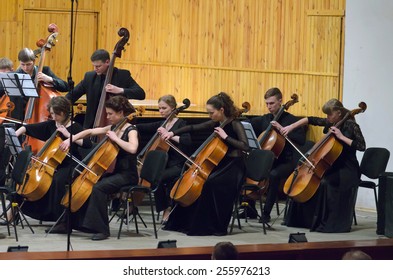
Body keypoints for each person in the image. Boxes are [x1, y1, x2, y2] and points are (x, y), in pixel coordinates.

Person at [161, 92, 249, 236]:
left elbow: (245, 146)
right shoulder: (217, 122)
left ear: (221, 110)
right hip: (219, 164)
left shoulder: (235, 123)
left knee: (210, 183)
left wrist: (225, 136)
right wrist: (172, 133)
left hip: (234, 166)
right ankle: (186, 223)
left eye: (211, 113)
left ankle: (212, 226)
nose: (210, 116)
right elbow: (193, 128)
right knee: (201, 183)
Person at [53, 95, 139, 240]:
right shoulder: (114, 127)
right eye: (107, 113)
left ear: (121, 113)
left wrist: (116, 138)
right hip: (117, 173)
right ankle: (68, 223)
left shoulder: (131, 130)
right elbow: (90, 132)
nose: (108, 116)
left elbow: (133, 148)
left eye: (111, 113)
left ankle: (102, 230)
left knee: (98, 188)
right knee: (82, 183)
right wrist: (70, 139)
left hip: (128, 175)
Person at [279, 98, 366, 233]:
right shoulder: (333, 121)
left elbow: (361, 146)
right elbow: (309, 119)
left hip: (348, 169)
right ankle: (306, 221)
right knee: (313, 182)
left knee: (325, 183)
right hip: (333, 166)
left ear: (338, 113)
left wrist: (341, 136)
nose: (327, 117)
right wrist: (290, 127)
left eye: (329, 114)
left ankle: (328, 223)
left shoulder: (351, 125)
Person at [13, 96, 91, 222]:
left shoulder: (75, 127)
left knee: (57, 180)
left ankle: (60, 219)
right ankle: (20, 212)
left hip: (70, 164)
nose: (53, 117)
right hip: (51, 164)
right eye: (52, 113)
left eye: (56, 114)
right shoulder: (51, 125)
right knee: (25, 179)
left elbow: (88, 144)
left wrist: (68, 136)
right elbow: (27, 128)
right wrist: (15, 135)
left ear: (64, 113)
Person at [246, 87, 306, 223]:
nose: (269, 107)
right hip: (268, 161)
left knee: (273, 175)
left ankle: (266, 213)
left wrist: (283, 130)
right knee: (245, 167)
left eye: (272, 103)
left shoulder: (291, 120)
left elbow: (301, 140)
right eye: (267, 103)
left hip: (286, 161)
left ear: (280, 101)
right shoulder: (265, 119)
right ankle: (250, 209)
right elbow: (248, 124)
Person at [136, 95, 192, 224]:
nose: (161, 111)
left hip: (177, 164)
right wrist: (130, 125)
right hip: (164, 165)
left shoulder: (181, 123)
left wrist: (170, 136)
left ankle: (167, 208)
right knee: (151, 176)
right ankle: (133, 206)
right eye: (159, 108)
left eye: (164, 108)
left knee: (157, 179)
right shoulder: (162, 123)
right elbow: (143, 127)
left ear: (172, 108)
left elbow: (187, 141)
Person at [66, 49, 145, 129]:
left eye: (98, 66)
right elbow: (71, 96)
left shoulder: (122, 75)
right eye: (94, 65)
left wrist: (120, 90)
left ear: (107, 62)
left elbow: (141, 93)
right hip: (91, 125)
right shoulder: (89, 77)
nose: (95, 69)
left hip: (116, 126)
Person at [9, 48, 69, 122]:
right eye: (22, 64)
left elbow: (66, 87)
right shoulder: (16, 75)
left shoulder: (45, 71)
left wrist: (50, 79)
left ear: (34, 61)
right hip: (20, 117)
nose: (25, 68)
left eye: (28, 64)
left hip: (40, 114)